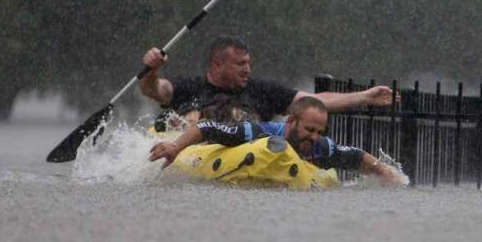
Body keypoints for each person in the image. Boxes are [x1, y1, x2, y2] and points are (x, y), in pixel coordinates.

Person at [140, 35, 397, 125]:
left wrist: (364, 96)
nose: (248, 70)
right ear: (217, 65)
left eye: (249, 63)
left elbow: (313, 101)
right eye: (240, 64)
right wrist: (152, 69)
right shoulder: (190, 87)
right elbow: (154, 90)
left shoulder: (262, 91)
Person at [148, 96, 405, 186]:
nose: (314, 136)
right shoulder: (257, 131)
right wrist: (176, 147)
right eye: (309, 129)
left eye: (320, 131)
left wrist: (383, 170)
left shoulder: (318, 145)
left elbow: (355, 155)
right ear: (291, 122)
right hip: (217, 155)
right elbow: (207, 127)